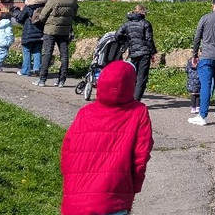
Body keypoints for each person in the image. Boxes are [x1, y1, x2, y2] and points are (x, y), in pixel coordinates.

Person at [60, 60, 153, 215]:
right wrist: (134, 187)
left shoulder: (85, 113)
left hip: (76, 198)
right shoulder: (138, 112)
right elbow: (140, 155)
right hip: (114, 198)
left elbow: (67, 152)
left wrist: (69, 183)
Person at [33, 0, 78, 87]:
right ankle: (61, 80)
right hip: (64, 31)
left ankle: (42, 79)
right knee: (64, 55)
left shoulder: (53, 0)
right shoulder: (72, 1)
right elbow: (74, 15)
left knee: (47, 54)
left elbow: (42, 16)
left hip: (50, 30)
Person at [115, 4, 157, 102]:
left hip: (133, 52)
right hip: (144, 52)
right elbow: (149, 39)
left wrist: (128, 40)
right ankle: (136, 100)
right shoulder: (146, 23)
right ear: (143, 12)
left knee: (133, 76)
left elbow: (117, 35)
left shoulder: (127, 24)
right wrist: (153, 52)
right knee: (141, 77)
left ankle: (129, 97)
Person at [15, 0, 46, 76]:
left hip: (29, 31)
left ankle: (25, 70)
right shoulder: (44, 6)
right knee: (37, 50)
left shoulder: (28, 6)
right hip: (40, 31)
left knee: (27, 50)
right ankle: (37, 69)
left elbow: (20, 18)